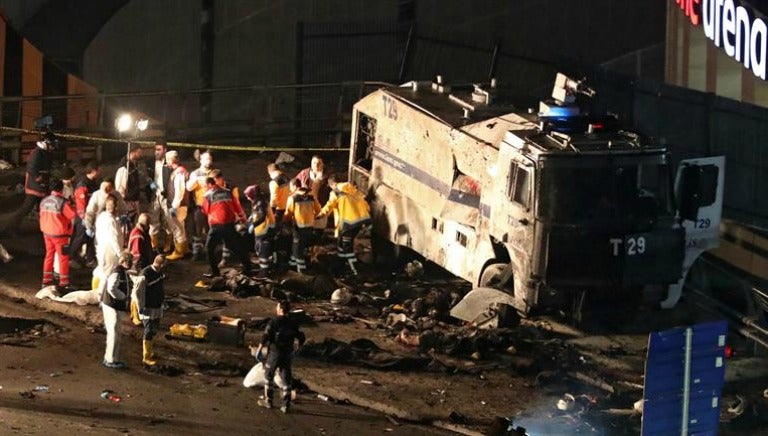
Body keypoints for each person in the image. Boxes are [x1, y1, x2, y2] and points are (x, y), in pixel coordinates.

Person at [253, 300, 305, 413]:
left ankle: (268, 400)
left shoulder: (274, 322)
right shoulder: (292, 323)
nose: (276, 309)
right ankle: (286, 405)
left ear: (280, 309)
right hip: (287, 354)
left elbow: (265, 336)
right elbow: (301, 337)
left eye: (277, 307)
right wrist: (297, 349)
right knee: (286, 379)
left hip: (275, 353)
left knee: (268, 375)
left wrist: (259, 349)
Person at [317, 174, 371, 276]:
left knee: (347, 247)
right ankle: (340, 266)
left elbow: (329, 206)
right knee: (341, 244)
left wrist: (319, 215)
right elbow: (364, 202)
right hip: (360, 221)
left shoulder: (335, 192)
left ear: (332, 184)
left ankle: (356, 271)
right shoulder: (352, 190)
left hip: (348, 223)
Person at [201, 176, 252, 278]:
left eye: (205, 186)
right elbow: (237, 206)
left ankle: (215, 272)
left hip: (216, 225)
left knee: (209, 249)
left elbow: (205, 211)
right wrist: (243, 219)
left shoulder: (207, 195)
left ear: (209, 184)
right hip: (229, 224)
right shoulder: (228, 192)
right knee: (235, 246)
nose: (204, 188)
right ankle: (247, 267)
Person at [10, 131, 57, 230]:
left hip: (42, 184)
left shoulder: (46, 152)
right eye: (52, 144)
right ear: (45, 143)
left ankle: (44, 228)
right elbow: (31, 168)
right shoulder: (37, 153)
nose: (53, 147)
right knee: (27, 207)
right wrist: (39, 178)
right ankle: (10, 228)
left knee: (42, 207)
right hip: (35, 185)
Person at [39, 179, 77, 293]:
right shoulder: (63, 202)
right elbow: (72, 215)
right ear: (62, 189)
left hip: (47, 233)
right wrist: (73, 205)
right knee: (63, 258)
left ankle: (46, 281)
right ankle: (64, 283)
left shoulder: (44, 201)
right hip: (60, 235)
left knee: (49, 256)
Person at [99, 250, 133, 369]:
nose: (130, 264)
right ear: (123, 261)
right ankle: (110, 360)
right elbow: (111, 288)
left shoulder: (122, 272)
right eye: (129, 261)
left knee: (116, 332)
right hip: (112, 305)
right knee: (114, 332)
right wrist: (123, 297)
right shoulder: (118, 272)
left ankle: (112, 358)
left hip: (114, 305)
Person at [134, 254, 166, 367]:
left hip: (157, 305)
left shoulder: (159, 272)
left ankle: (150, 350)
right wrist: (140, 308)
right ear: (161, 264)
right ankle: (146, 357)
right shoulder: (145, 275)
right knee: (148, 329)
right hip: (147, 307)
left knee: (154, 329)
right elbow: (137, 293)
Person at [283, 178, 320, 274]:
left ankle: (302, 269)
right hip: (310, 226)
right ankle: (292, 265)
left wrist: (285, 222)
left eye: (291, 187)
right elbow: (318, 210)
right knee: (300, 246)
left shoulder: (293, 198)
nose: (290, 189)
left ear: (294, 186)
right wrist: (312, 217)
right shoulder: (311, 197)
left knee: (297, 249)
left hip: (298, 227)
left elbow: (288, 213)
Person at [70, 161, 102, 268]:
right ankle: (71, 257)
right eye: (98, 170)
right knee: (80, 238)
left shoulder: (94, 183)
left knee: (90, 238)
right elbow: (81, 204)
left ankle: (90, 259)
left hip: (92, 215)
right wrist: (84, 218)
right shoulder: (83, 185)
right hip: (83, 217)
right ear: (93, 171)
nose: (100, 172)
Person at [211, 169, 244, 269]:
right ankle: (227, 258)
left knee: (233, 238)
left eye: (215, 181)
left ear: (220, 179)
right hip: (219, 218)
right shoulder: (213, 189)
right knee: (225, 239)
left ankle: (232, 259)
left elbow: (236, 202)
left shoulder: (231, 188)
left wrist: (240, 217)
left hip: (231, 217)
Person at [186, 150, 214, 261]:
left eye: (210, 159)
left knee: (210, 230)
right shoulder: (195, 174)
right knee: (198, 229)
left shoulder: (214, 173)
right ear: (200, 160)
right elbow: (189, 187)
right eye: (206, 159)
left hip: (213, 207)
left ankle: (209, 252)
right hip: (200, 206)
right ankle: (197, 251)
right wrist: (196, 180)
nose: (208, 161)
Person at [94, 194, 125, 291]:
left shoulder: (101, 217)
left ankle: (100, 294)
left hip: (101, 249)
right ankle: (101, 296)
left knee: (102, 274)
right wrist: (120, 254)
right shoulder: (111, 221)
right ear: (115, 207)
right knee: (108, 277)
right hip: (110, 253)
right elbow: (114, 239)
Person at [295, 155, 331, 236]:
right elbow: (295, 184)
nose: (316, 165)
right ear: (311, 163)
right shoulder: (304, 173)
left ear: (323, 164)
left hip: (321, 206)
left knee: (319, 229)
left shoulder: (327, 176)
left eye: (319, 163)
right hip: (306, 206)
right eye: (314, 163)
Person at [245, 184, 276, 277]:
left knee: (263, 250)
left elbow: (262, 217)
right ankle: (266, 268)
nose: (247, 198)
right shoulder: (257, 201)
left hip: (265, 229)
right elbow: (256, 213)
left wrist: (253, 225)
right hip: (262, 229)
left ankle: (263, 272)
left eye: (248, 196)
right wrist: (251, 218)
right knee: (260, 249)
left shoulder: (261, 203)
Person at [147, 141, 172, 253]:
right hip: (154, 195)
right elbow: (147, 177)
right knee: (153, 219)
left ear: (165, 150)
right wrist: (152, 186)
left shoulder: (169, 162)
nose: (156, 152)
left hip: (166, 195)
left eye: (159, 149)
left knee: (168, 219)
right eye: (155, 149)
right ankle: (154, 245)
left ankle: (168, 243)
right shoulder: (151, 162)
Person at [164, 150, 189, 261]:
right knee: (180, 228)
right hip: (178, 204)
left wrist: (174, 206)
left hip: (178, 205)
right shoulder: (177, 171)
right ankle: (185, 248)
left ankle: (179, 251)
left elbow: (180, 191)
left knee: (177, 228)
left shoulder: (179, 173)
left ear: (171, 160)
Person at [115, 143, 149, 220]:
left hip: (135, 199)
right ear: (133, 152)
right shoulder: (124, 168)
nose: (141, 154)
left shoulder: (134, 163)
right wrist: (127, 201)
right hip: (129, 203)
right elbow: (120, 188)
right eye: (139, 152)